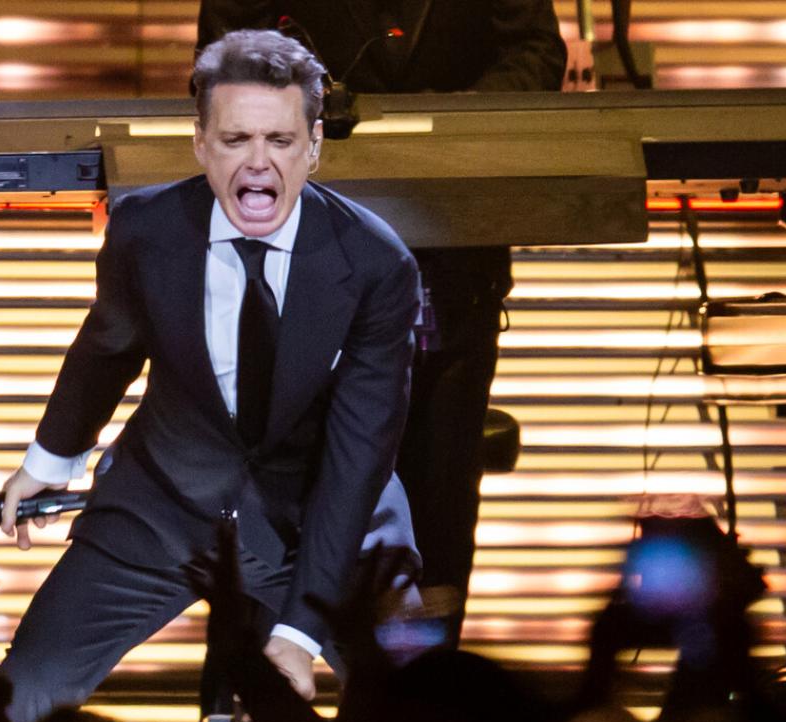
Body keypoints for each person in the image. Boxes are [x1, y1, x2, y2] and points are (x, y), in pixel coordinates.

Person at [0, 29, 421, 722]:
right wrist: (49, 461)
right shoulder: (147, 230)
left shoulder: (376, 263)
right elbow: (107, 348)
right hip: (162, 507)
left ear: (314, 146)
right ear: (200, 144)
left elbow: (358, 454)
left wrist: (298, 633)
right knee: (15, 704)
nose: (258, 162)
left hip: (322, 520)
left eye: (279, 141)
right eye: (235, 140)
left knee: (422, 719)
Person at [198, 1, 567, 644]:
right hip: (300, 262)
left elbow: (536, 53)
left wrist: (443, 121)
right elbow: (223, 56)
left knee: (438, 504)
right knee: (273, 498)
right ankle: (265, 689)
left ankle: (420, 692)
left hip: (452, 262)